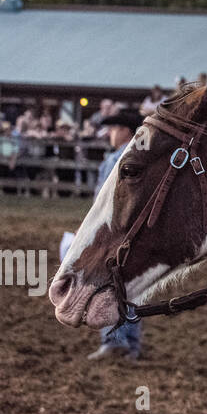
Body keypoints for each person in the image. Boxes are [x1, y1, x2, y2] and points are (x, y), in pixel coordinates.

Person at [89, 107, 145, 361]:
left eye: (113, 129)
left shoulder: (118, 161)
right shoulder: (130, 159)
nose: (109, 133)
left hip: (115, 233)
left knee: (109, 285)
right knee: (128, 289)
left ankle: (116, 340)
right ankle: (127, 343)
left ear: (125, 131)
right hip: (128, 233)